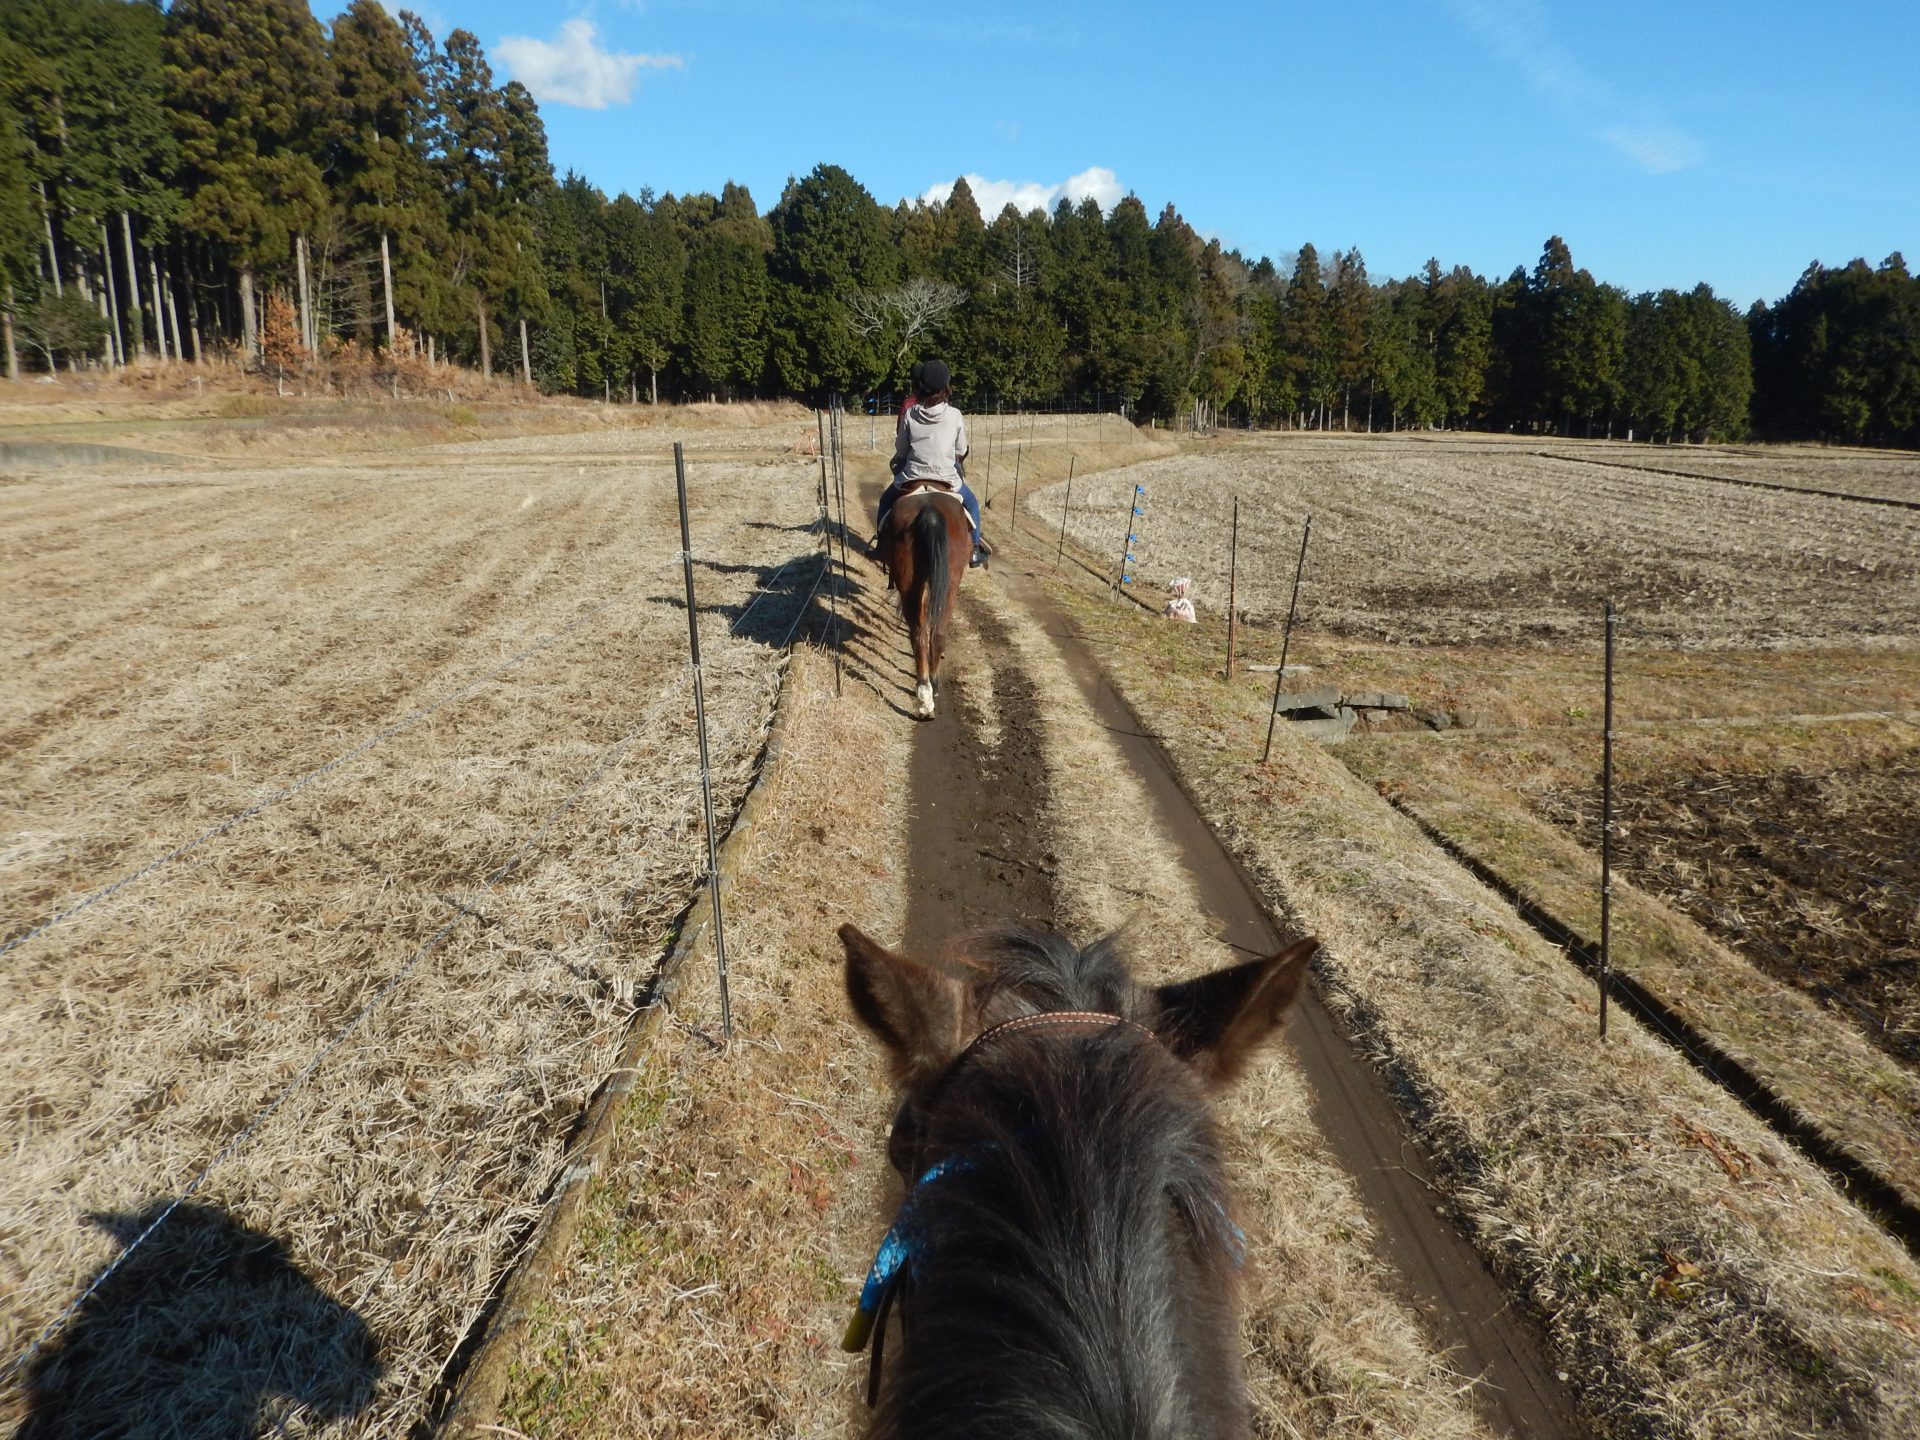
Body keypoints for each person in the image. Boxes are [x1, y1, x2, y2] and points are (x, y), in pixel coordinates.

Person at [870, 359, 990, 568]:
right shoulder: (955, 415)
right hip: (947, 478)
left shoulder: (909, 413)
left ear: (922, 387)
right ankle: (976, 549)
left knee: (885, 502)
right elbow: (961, 450)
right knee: (972, 505)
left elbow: (901, 449)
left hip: (912, 477)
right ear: (945, 387)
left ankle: (881, 547)